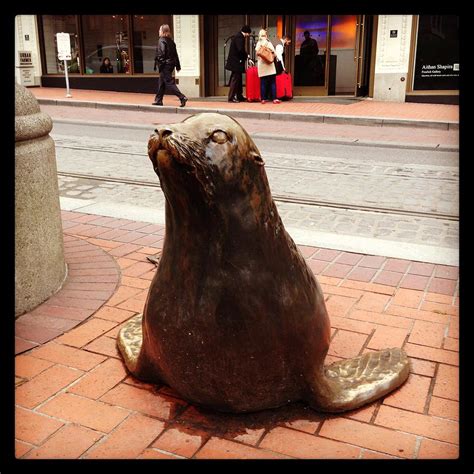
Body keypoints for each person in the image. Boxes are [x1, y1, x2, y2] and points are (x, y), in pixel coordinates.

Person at [152, 24, 188, 107]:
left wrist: (160, 65)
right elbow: (176, 55)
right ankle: (158, 100)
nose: (158, 31)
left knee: (169, 83)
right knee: (162, 82)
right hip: (171, 65)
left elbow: (161, 54)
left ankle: (182, 97)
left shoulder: (161, 40)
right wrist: (178, 66)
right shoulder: (171, 41)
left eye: (160, 30)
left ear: (163, 31)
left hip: (165, 65)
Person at [225, 25, 251, 103]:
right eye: (248, 33)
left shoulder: (238, 36)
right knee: (235, 79)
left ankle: (239, 96)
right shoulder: (240, 37)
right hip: (236, 62)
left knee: (238, 79)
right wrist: (246, 56)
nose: (248, 35)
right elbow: (240, 50)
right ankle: (231, 97)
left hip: (235, 62)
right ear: (246, 32)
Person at [255, 29, 280, 104]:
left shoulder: (258, 44)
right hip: (270, 65)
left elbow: (257, 54)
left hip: (261, 65)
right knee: (272, 82)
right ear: (265, 35)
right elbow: (274, 54)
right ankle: (274, 98)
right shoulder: (268, 43)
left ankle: (263, 99)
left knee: (263, 83)